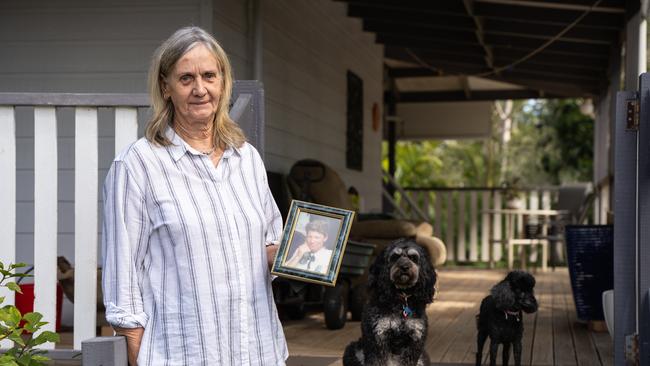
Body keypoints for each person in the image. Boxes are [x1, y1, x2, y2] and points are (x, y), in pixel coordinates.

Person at [101, 26, 287, 366]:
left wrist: (302, 254)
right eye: (186, 78)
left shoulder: (247, 159)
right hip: (182, 352)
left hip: (256, 350)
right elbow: (122, 274)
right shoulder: (138, 165)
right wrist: (133, 347)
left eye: (209, 76)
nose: (200, 89)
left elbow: (269, 244)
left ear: (223, 82)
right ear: (165, 87)